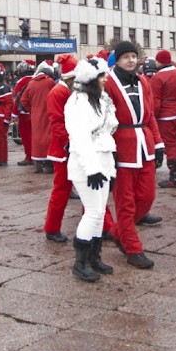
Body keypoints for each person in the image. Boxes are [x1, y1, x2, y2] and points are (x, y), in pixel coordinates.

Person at [105, 40, 165, 269]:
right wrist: (108, 150)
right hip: (122, 146)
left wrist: (158, 144)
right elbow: (103, 121)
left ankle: (117, 231)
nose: (130, 60)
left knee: (147, 196)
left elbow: (150, 117)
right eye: (125, 57)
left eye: (133, 56)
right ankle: (132, 248)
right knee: (125, 202)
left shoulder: (143, 82)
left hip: (145, 143)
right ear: (117, 60)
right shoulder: (108, 83)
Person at [64, 58, 118, 282]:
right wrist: (92, 169)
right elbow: (80, 140)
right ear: (90, 79)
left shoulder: (99, 98)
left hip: (102, 161)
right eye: (101, 76)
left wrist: (109, 170)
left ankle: (94, 258)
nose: (106, 80)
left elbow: (107, 132)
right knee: (94, 213)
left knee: (98, 213)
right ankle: (81, 262)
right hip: (86, 165)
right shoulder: (76, 103)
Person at [43, 54, 78, 242]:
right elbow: (57, 123)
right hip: (64, 151)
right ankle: (52, 228)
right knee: (61, 191)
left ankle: (103, 225)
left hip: (72, 147)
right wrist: (68, 143)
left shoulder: (69, 91)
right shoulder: (58, 93)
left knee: (90, 188)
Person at [150, 49, 176, 189]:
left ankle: (174, 178)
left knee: (171, 145)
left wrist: (153, 117)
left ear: (160, 61)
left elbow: (156, 101)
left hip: (166, 116)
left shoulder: (158, 78)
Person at [20, 61, 57, 173]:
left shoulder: (31, 83)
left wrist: (32, 109)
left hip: (35, 116)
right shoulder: (50, 82)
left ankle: (37, 165)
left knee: (36, 139)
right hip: (48, 113)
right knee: (48, 138)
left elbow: (23, 100)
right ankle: (49, 165)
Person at [11, 60, 36, 166]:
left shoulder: (21, 81)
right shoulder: (37, 79)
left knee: (26, 137)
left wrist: (14, 114)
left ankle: (29, 156)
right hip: (36, 112)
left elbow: (18, 99)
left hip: (24, 113)